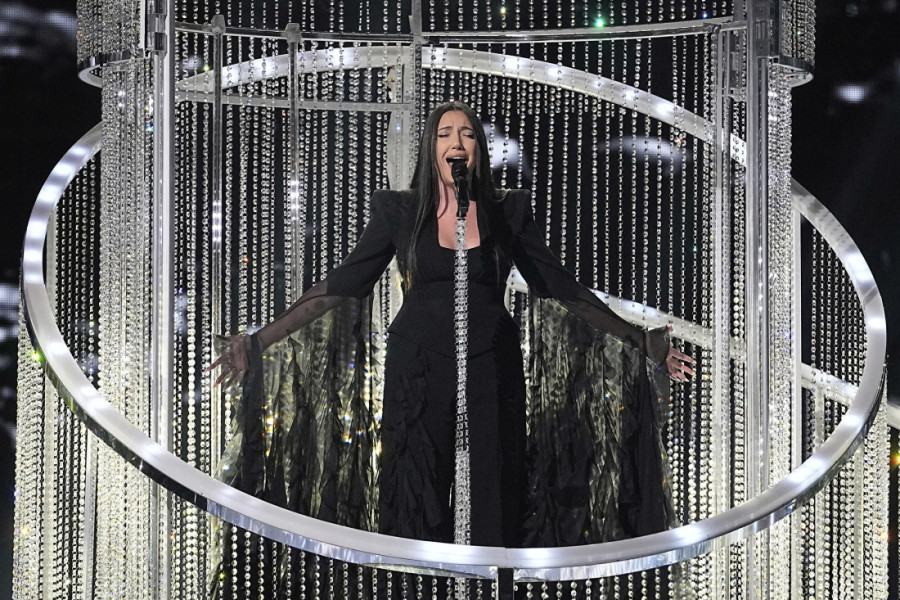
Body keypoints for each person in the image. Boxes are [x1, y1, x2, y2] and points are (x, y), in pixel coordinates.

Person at [211, 100, 694, 549]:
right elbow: (340, 286)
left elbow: (562, 288)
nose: (456, 142)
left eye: (467, 134)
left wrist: (643, 341)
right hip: (417, 369)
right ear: (431, 148)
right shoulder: (399, 211)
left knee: (495, 493)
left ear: (478, 150)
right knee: (414, 494)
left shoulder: (507, 212)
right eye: (445, 133)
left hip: (492, 368)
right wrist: (257, 341)